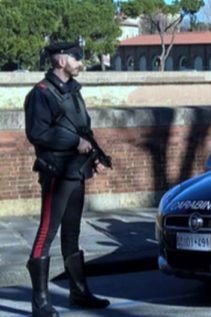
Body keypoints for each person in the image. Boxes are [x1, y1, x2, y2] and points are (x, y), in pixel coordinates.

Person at [24, 42, 110, 317]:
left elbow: (83, 127)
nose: (80, 62)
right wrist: (75, 142)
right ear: (60, 60)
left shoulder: (74, 92)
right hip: (56, 173)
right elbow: (37, 133)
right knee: (46, 234)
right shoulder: (41, 93)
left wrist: (94, 154)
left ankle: (79, 293)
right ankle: (40, 304)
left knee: (72, 235)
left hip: (76, 172)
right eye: (75, 57)